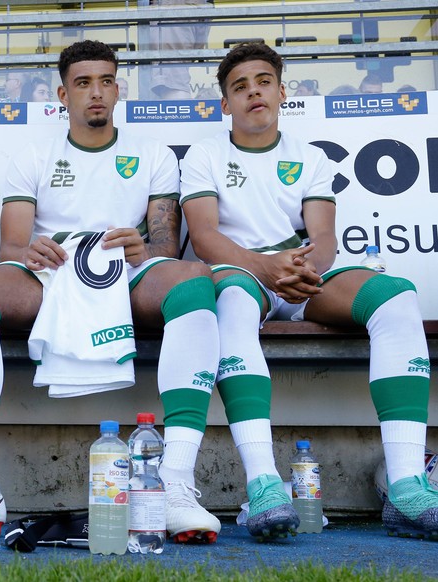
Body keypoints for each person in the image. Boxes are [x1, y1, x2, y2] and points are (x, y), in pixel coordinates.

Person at [0, 39, 223, 544]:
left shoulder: (152, 154)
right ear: (62, 95)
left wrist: (145, 248)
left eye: (106, 81)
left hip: (125, 275)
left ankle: (172, 483)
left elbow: (163, 246)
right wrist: (29, 254)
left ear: (119, 90)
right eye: (84, 83)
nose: (97, 93)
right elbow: (11, 244)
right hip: (57, 276)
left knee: (195, 278)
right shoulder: (33, 156)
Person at [180, 42, 436, 541]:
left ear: (281, 91)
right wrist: (266, 268)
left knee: (397, 297)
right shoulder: (206, 154)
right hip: (243, 273)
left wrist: (300, 269)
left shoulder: (309, 157)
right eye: (239, 87)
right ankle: (264, 485)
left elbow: (323, 238)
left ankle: (406, 486)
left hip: (301, 275)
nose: (253, 92)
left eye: (263, 82)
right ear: (225, 103)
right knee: (228, 301)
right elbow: (206, 236)